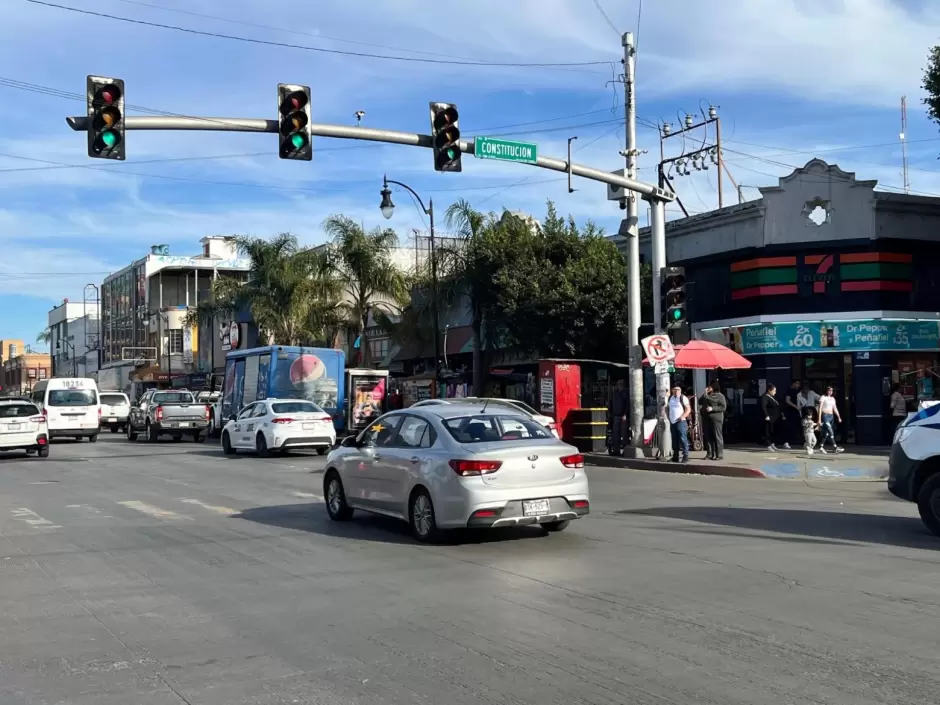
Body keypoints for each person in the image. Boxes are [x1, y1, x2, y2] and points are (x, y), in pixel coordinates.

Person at [699, 381, 727, 460]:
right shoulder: (706, 395)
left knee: (717, 436)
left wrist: (713, 408)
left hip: (716, 418)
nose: (708, 388)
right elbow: (699, 402)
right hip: (706, 418)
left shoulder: (720, 396)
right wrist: (704, 394)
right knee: (708, 436)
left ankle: (719, 455)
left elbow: (723, 407)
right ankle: (710, 453)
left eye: (710, 387)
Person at [666, 385, 691, 463]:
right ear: (672, 391)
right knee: (674, 439)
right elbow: (668, 408)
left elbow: (688, 409)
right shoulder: (671, 398)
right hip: (672, 421)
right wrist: (668, 416)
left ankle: (685, 455)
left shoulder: (683, 398)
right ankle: (675, 456)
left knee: (682, 438)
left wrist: (682, 417)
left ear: (680, 391)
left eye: (678, 390)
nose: (676, 391)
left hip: (681, 421)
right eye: (675, 390)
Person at [817, 386, 844, 453]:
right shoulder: (823, 397)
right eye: (829, 390)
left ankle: (821, 446)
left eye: (831, 390)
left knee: (827, 433)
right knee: (831, 431)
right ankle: (835, 447)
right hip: (825, 415)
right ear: (826, 390)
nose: (830, 391)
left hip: (831, 416)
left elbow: (835, 408)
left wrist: (839, 417)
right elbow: (820, 408)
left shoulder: (833, 399)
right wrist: (819, 419)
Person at [760, 383, 786, 451]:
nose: (775, 392)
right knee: (768, 431)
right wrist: (766, 415)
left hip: (775, 417)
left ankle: (772, 443)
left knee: (774, 431)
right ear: (769, 390)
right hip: (769, 416)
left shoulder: (773, 397)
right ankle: (768, 444)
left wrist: (782, 414)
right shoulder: (765, 397)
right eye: (773, 391)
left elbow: (778, 405)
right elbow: (763, 407)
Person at [609, 379, 629, 456]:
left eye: (621, 384)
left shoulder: (625, 393)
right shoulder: (615, 393)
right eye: (618, 384)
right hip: (616, 415)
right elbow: (611, 402)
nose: (619, 386)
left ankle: (625, 450)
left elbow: (627, 404)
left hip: (623, 416)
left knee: (624, 434)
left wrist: (625, 414)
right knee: (615, 434)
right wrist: (610, 413)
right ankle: (616, 450)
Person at [784, 380, 802, 446]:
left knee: (795, 427)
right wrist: (795, 407)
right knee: (790, 427)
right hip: (790, 411)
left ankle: (792, 441)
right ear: (793, 384)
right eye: (797, 384)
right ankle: (787, 442)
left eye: (799, 384)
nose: (798, 385)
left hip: (796, 411)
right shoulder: (789, 390)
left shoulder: (798, 392)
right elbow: (787, 401)